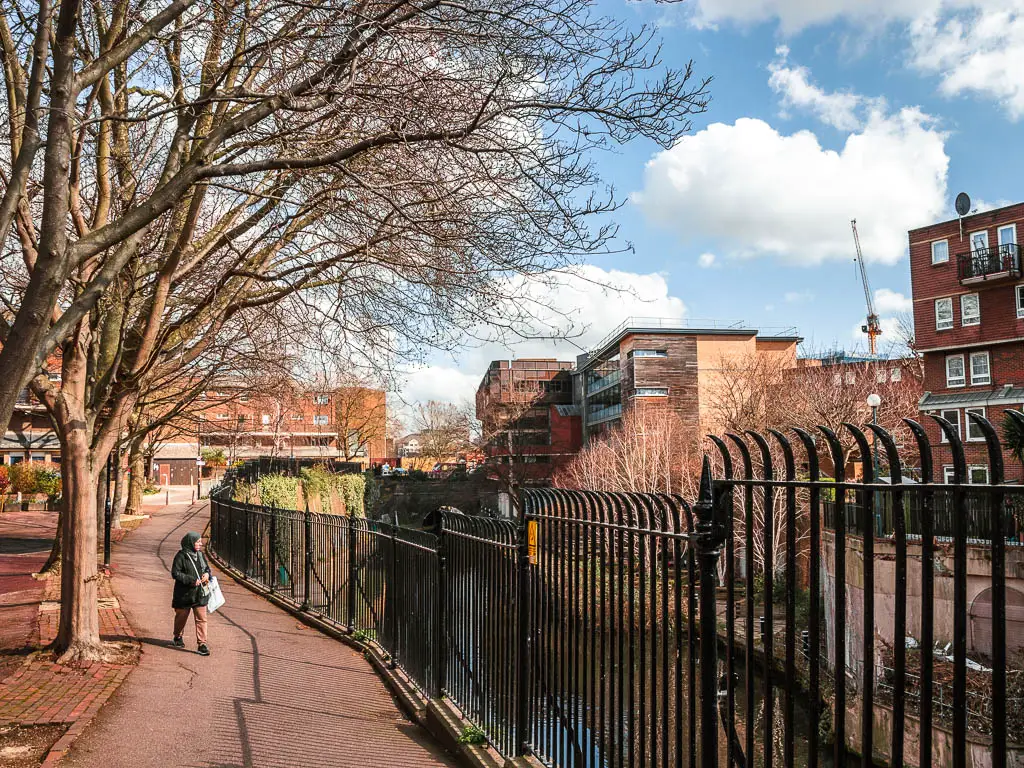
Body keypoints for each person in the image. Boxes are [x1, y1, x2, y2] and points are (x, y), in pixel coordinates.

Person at [171, 531, 212, 656]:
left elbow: (206, 568)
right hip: (184, 594)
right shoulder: (181, 556)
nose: (200, 544)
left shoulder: (200, 555)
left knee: (201, 619)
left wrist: (207, 574)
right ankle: (177, 636)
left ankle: (202, 644)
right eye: (197, 542)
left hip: (199, 594)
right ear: (190, 542)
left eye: (200, 541)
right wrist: (191, 580)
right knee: (181, 618)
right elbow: (175, 573)